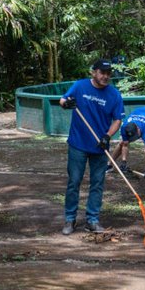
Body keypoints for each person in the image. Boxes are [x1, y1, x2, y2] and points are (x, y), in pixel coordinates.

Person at [59, 58, 124, 234]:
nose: (106, 76)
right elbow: (63, 100)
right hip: (78, 144)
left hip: (100, 147)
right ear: (93, 72)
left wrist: (107, 136)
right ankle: (69, 219)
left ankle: (92, 220)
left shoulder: (114, 95)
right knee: (74, 182)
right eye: (102, 73)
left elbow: (118, 119)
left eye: (108, 73)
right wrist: (67, 104)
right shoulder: (80, 86)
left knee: (97, 184)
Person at [108, 106, 145, 179]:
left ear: (138, 129)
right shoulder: (124, 127)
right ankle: (109, 165)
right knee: (121, 143)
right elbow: (125, 144)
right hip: (140, 112)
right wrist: (124, 161)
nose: (134, 139)